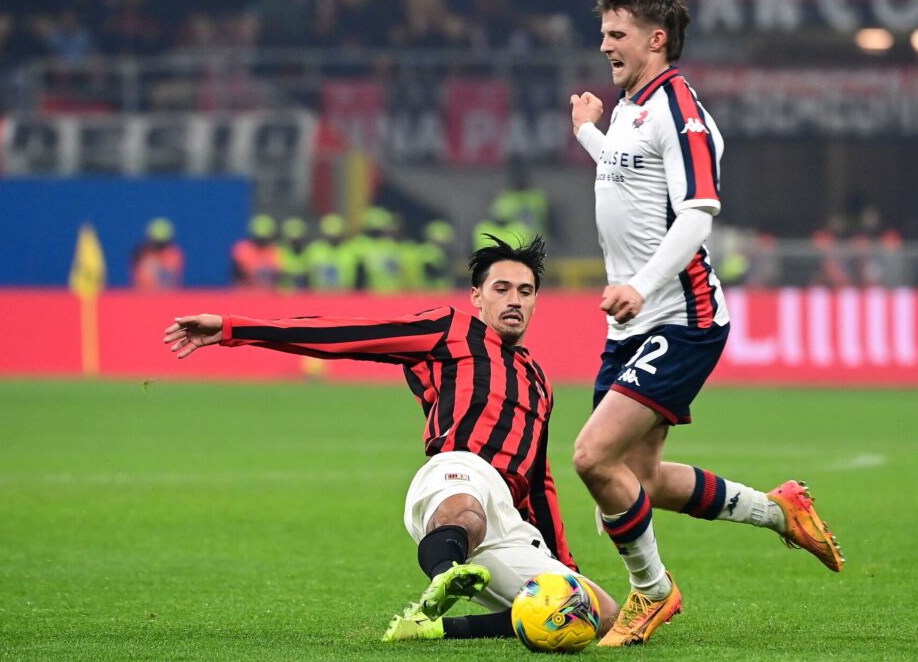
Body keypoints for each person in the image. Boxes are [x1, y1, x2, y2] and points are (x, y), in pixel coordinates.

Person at [569, 0, 844, 647]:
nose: (604, 44)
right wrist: (588, 135)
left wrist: (641, 284)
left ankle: (652, 595)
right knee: (640, 481)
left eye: (616, 33)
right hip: (632, 324)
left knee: (591, 459)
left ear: (656, 39)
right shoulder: (633, 108)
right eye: (603, 31)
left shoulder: (679, 108)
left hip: (680, 318)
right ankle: (782, 512)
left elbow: (697, 213)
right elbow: (630, 179)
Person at [163, 235, 619, 642]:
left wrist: (566, 569)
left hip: (507, 515)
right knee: (467, 511)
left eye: (525, 291)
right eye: (501, 289)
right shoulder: (450, 329)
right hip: (456, 471)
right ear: (477, 296)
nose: (514, 299)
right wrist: (231, 329)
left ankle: (432, 627)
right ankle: (444, 576)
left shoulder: (539, 380)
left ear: (537, 300)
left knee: (598, 613)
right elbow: (350, 335)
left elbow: (539, 482)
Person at [131, 217, 184, 291]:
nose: (159, 248)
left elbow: (171, 280)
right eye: (156, 244)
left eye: (162, 244)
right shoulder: (141, 255)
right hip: (144, 297)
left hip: (168, 297)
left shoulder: (173, 255)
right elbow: (140, 280)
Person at [231, 214, 282, 289]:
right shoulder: (242, 249)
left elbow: (278, 275)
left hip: (268, 294)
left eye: (264, 239)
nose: (261, 242)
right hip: (244, 292)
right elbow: (238, 275)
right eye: (259, 238)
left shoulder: (275, 250)